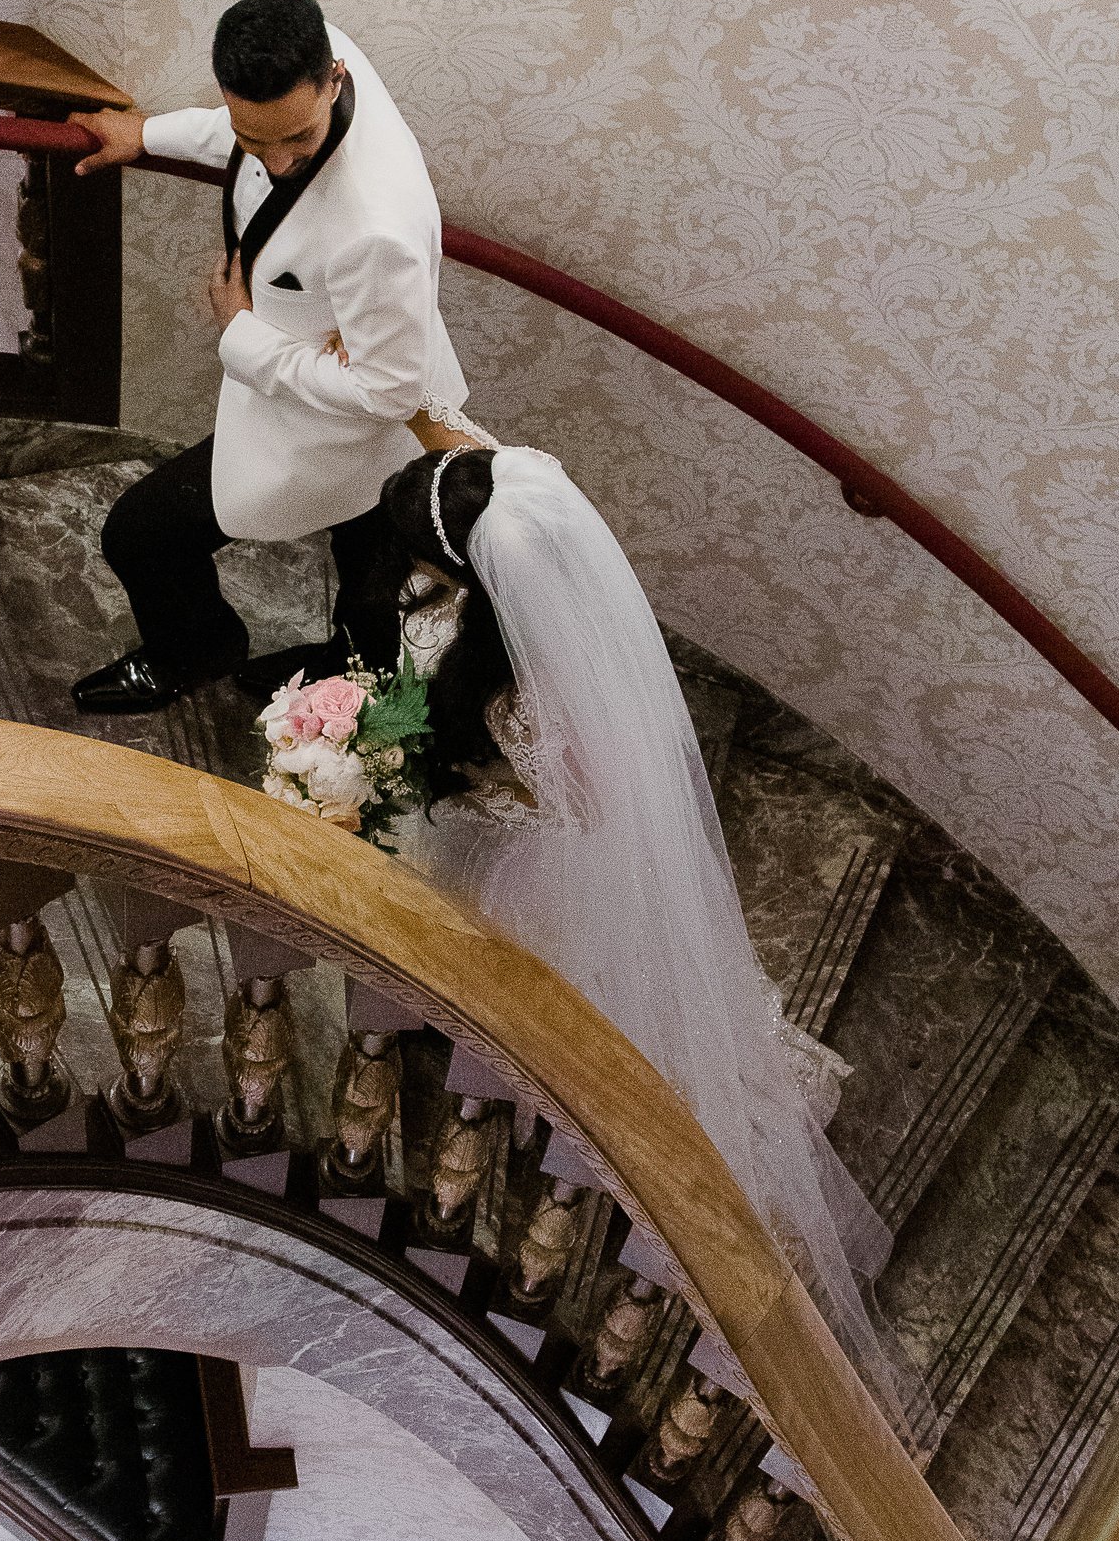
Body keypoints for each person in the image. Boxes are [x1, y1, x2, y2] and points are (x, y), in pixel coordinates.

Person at [375, 438, 934, 1452]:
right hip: (506, 799)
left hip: (541, 869)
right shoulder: (522, 623)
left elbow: (586, 808)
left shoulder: (532, 693)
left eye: (424, 562)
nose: (412, 578)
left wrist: (489, 793)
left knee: (546, 1016)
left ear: (470, 572)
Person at [67, 0, 471, 717]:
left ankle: (210, 652)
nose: (278, 163)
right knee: (372, 569)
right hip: (335, 377)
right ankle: (324, 661)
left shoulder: (374, 228)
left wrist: (241, 334)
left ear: (334, 79)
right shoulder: (317, 57)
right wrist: (148, 135)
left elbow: (390, 394)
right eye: (258, 140)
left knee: (143, 532)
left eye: (298, 141)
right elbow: (244, 135)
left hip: (343, 421)